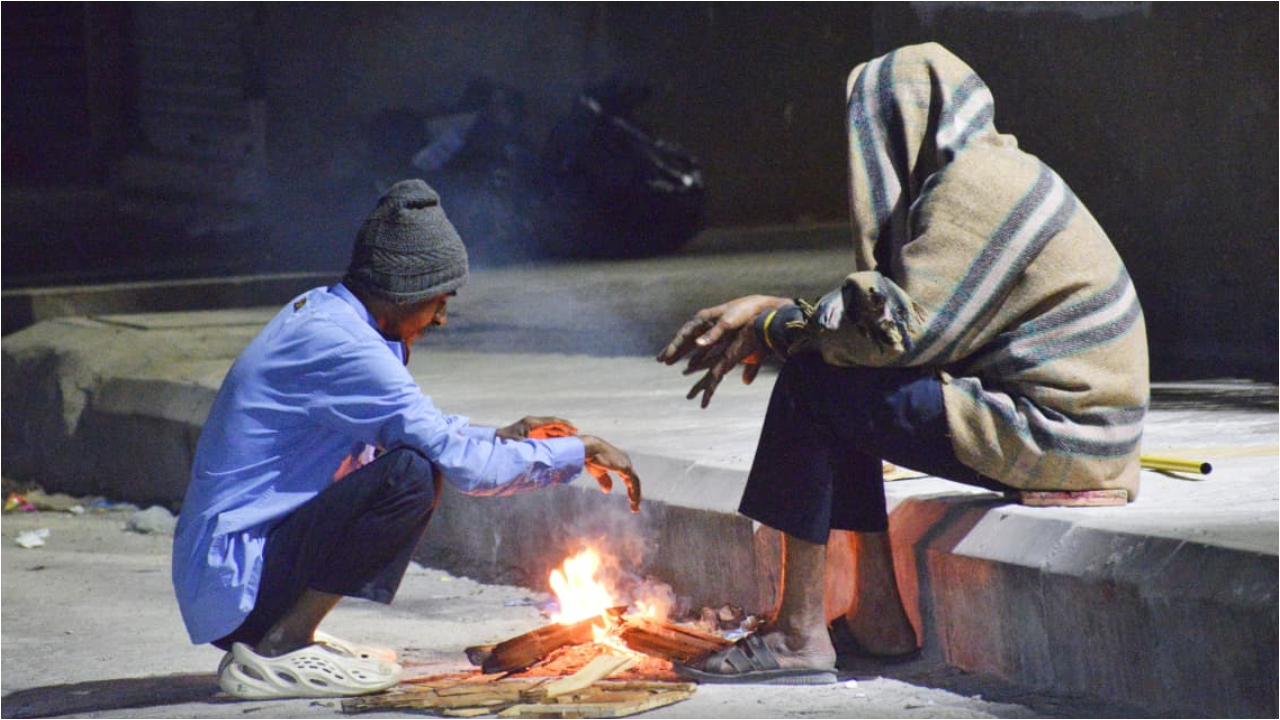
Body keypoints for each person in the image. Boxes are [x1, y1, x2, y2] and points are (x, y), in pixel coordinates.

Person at [657, 43, 1147, 684]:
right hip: (1076, 428)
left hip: (1059, 435)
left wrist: (774, 325)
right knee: (839, 375)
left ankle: (798, 635)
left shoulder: (975, 188)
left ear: (892, 124)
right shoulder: (989, 172)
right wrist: (785, 322)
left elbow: (894, 336)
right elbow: (888, 327)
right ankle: (879, 619)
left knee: (815, 381)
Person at [172, 179, 642, 699]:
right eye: (439, 300)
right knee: (410, 476)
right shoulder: (344, 346)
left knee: (414, 458)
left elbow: (418, 427)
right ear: (402, 292)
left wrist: (502, 436)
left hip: (235, 575)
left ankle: (280, 630)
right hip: (239, 587)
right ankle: (281, 642)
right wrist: (581, 452)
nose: (441, 317)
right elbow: (463, 465)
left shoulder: (330, 315)